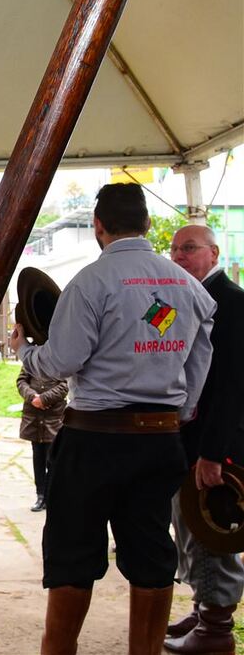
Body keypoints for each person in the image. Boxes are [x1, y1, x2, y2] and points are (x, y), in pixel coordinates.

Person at [8, 183, 215, 654]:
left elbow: (61, 361)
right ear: (147, 224)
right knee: (151, 554)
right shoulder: (188, 288)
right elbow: (199, 367)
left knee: (72, 555)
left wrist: (26, 353)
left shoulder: (90, 282)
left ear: (99, 227)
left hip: (93, 441)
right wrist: (173, 416)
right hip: (160, 440)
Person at [164, 224, 244, 654]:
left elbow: (232, 387)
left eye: (189, 248)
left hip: (218, 446)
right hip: (188, 441)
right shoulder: (186, 300)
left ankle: (216, 631)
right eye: (174, 249)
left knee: (213, 531)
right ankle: (203, 609)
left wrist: (213, 454)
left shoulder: (232, 303)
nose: (179, 255)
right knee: (190, 530)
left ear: (214, 253)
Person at [15, 369, 68, 512]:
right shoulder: (31, 360)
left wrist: (44, 399)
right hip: (33, 416)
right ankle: (40, 495)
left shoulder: (60, 360)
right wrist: (33, 397)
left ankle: (51, 496)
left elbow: (65, 385)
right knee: (38, 457)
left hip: (54, 417)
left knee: (53, 459)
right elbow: (21, 381)